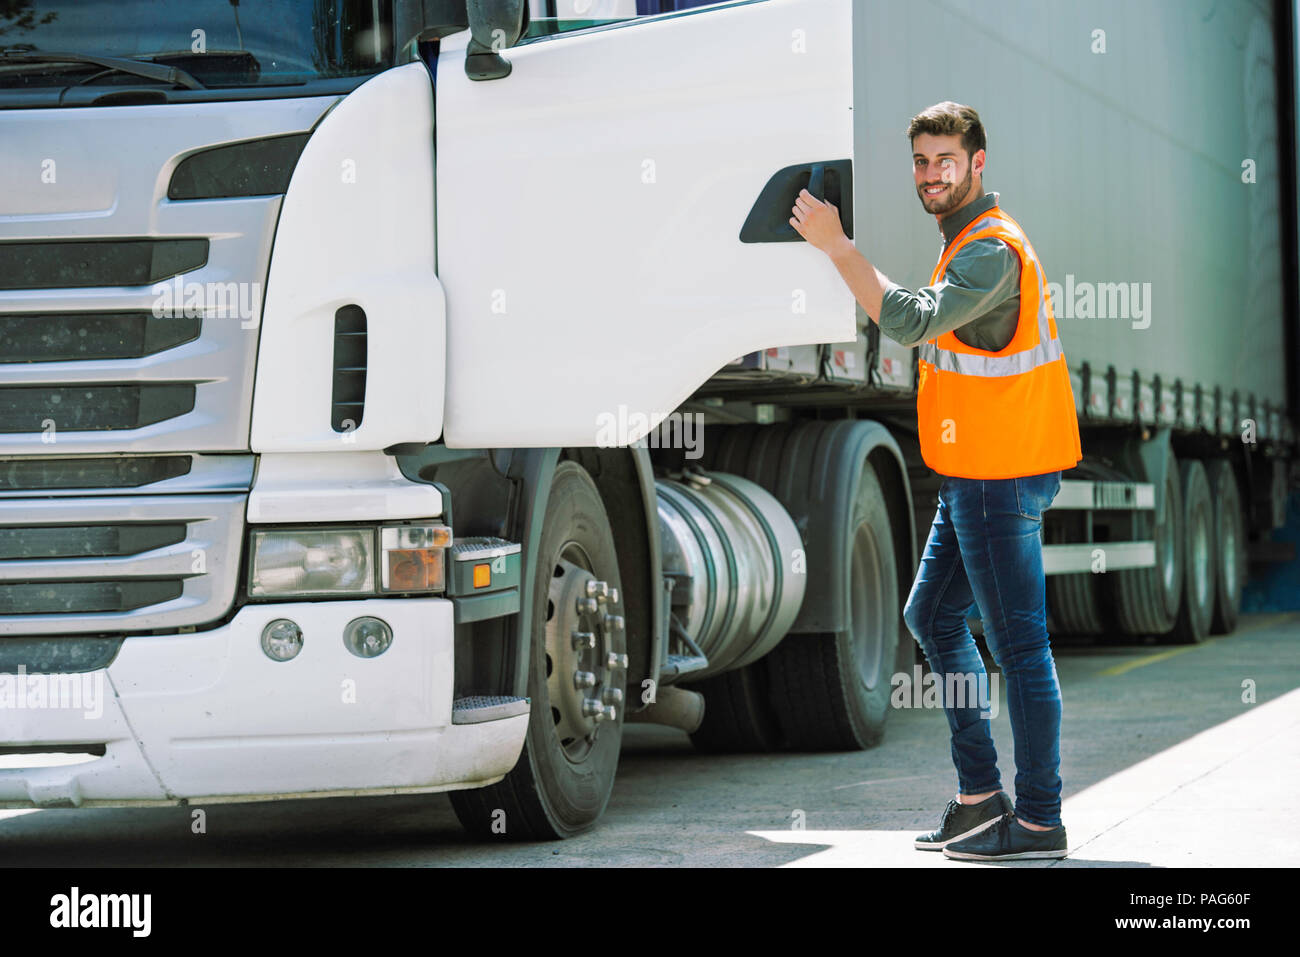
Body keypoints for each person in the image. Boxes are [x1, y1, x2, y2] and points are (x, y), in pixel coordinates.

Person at [789, 101, 1082, 861]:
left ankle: (1042, 821)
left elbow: (912, 320)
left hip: (998, 475)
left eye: (945, 160)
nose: (931, 174)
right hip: (971, 474)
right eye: (921, 161)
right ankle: (981, 799)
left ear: (978, 162)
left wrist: (835, 247)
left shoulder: (990, 250)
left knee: (1021, 650)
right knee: (933, 617)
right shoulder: (963, 245)